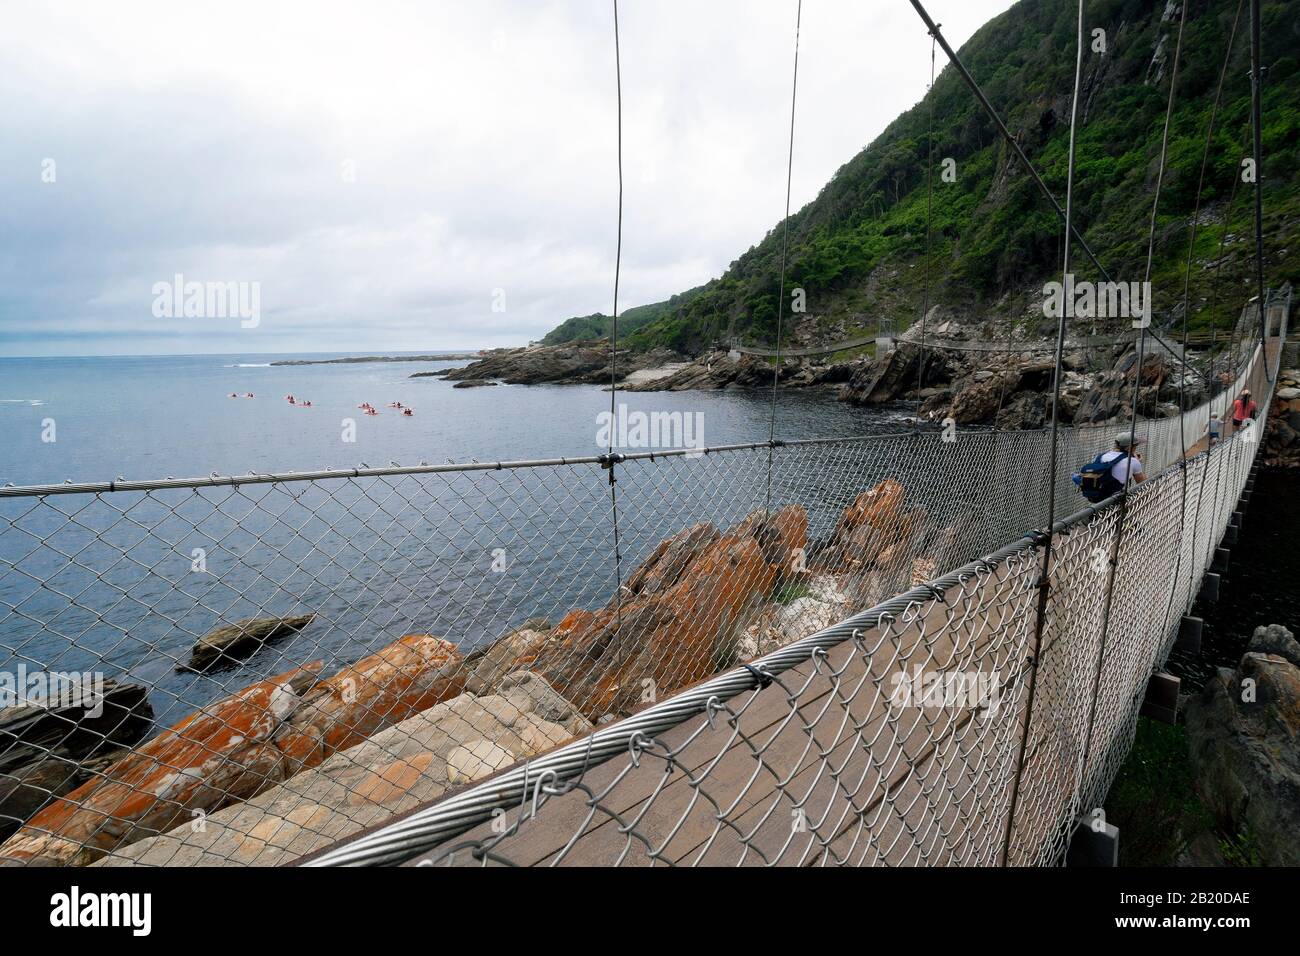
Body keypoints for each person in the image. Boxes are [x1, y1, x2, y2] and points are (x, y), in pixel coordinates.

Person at [1074, 432, 1146, 502]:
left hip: (1094, 497)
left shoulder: (1101, 456)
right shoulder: (1133, 461)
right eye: (1135, 446)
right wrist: (1138, 463)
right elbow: (1143, 483)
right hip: (1114, 499)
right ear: (1130, 447)